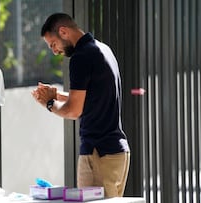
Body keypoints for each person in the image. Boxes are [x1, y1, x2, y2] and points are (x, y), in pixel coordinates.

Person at [31, 13, 130, 198]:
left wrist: (49, 103)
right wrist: (57, 94)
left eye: (53, 44)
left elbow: (74, 110)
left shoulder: (81, 57)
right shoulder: (103, 49)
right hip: (117, 153)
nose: (54, 51)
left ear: (63, 32)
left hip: (97, 153)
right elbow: (91, 97)